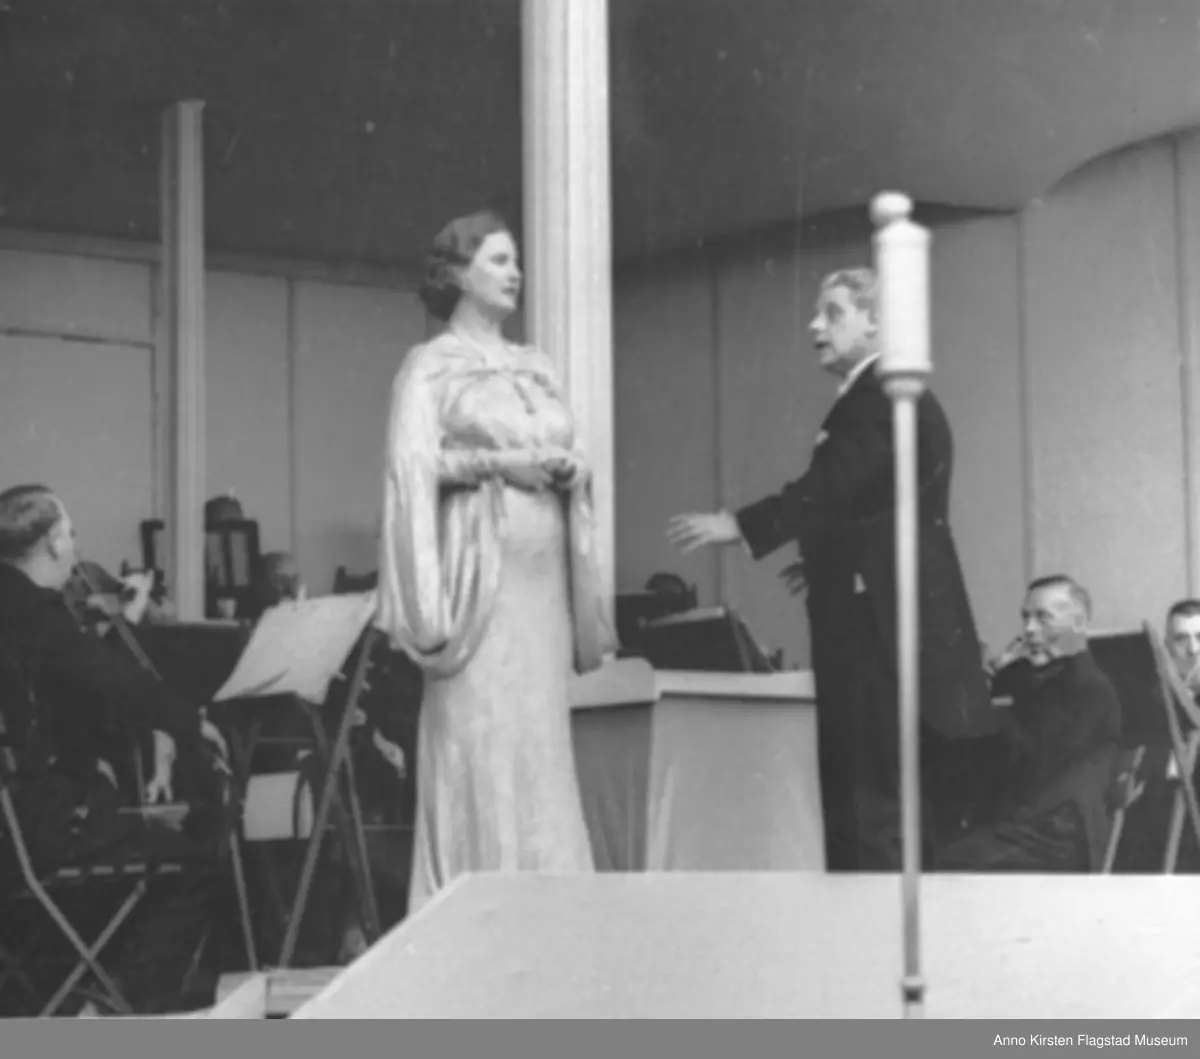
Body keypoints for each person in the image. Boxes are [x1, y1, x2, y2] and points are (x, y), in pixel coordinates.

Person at [667, 267, 997, 871]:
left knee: (870, 801)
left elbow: (835, 484)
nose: (815, 325)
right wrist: (829, 557)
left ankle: (867, 951)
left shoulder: (878, 397)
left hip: (878, 631)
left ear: (878, 322)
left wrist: (739, 523)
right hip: (887, 619)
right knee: (882, 798)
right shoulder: (884, 395)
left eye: (833, 312)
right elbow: (875, 499)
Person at [376, 209, 613, 915]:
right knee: (480, 742)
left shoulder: (536, 364)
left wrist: (573, 470)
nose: (515, 274)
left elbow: (566, 449)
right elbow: (409, 469)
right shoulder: (430, 365)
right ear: (456, 273)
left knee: (540, 747)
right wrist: (499, 462)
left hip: (540, 587)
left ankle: (553, 916)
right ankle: (478, 919)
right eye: (500, 261)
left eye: (516, 262)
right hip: (480, 592)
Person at [0, 484, 231, 1012]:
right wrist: (189, 725)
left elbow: (79, 690)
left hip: (12, 828)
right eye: (73, 535)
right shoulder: (39, 615)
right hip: (31, 835)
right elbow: (113, 687)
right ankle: (112, 1015)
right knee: (189, 862)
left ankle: (64, 997)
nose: (75, 549)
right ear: (56, 542)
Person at [935, 576, 1122, 872]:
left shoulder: (1091, 688)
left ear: (1079, 623)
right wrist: (982, 689)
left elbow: (1035, 755)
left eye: (1043, 618)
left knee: (951, 862)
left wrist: (991, 707)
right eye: (1026, 617)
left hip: (1060, 831)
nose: (1029, 629)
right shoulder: (1019, 676)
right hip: (1015, 823)